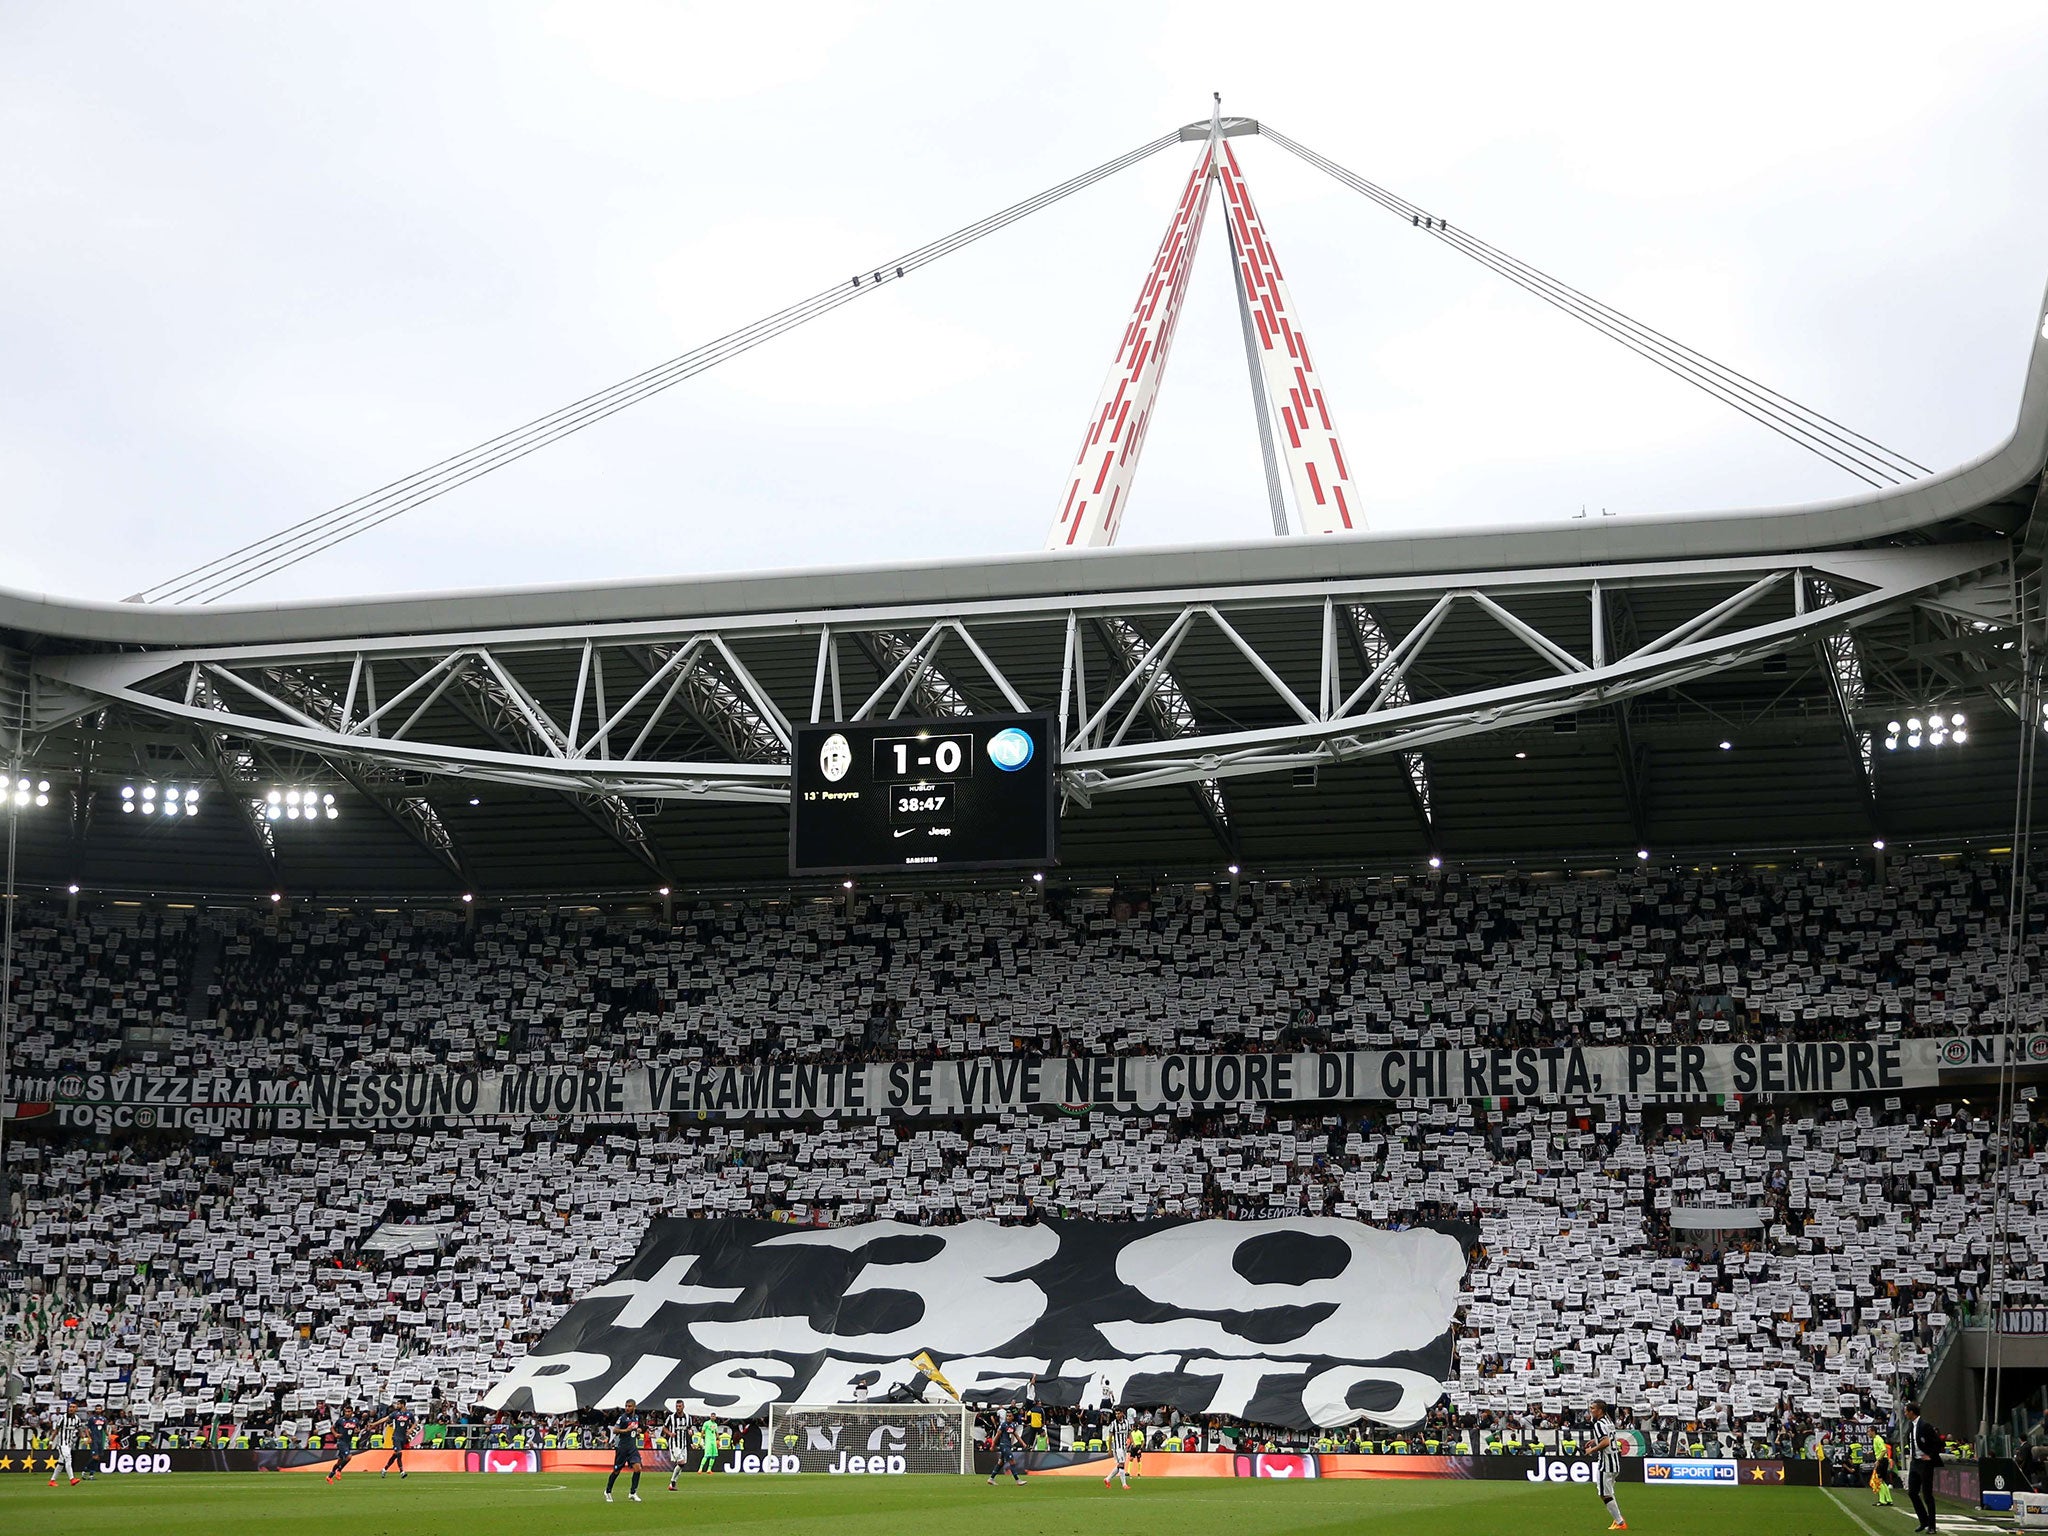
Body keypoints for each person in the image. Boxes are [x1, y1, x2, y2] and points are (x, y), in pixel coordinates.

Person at [1584, 1399, 1627, 1531]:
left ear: (1600, 1410)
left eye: (1593, 1408)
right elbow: (1609, 1437)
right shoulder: (1608, 1422)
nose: (1591, 1410)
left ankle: (1620, 1522)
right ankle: (1618, 1520)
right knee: (1608, 1492)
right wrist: (1595, 1440)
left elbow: (1607, 1441)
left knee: (1604, 1494)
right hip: (1615, 1463)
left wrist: (1592, 1449)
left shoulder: (1598, 1424)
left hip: (1606, 1463)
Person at [1905, 1401, 1943, 1533]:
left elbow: (1938, 1443)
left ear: (1911, 1412)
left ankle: (1932, 1526)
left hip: (1925, 1463)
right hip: (1915, 1462)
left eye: (1906, 1411)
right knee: (1912, 1492)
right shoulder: (1911, 1425)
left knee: (1927, 1495)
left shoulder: (1925, 1426)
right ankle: (1923, 1520)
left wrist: (1930, 1456)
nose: (1905, 1414)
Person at [605, 1399, 645, 1503]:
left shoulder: (636, 1418)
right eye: (626, 1406)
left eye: (629, 1406)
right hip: (622, 1448)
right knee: (617, 1471)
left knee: (638, 1468)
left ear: (634, 1407)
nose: (627, 1408)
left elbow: (634, 1430)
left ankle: (632, 1493)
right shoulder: (622, 1418)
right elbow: (615, 1430)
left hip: (632, 1448)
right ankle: (608, 1491)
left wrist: (636, 1433)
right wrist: (626, 1430)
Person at [325, 1402, 364, 1484]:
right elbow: (332, 1428)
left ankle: (329, 1476)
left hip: (348, 1442)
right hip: (341, 1442)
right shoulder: (340, 1420)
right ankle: (339, 1471)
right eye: (346, 1411)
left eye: (349, 1411)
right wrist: (335, 1434)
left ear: (352, 1412)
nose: (347, 1413)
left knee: (339, 1461)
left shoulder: (355, 1420)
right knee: (349, 1457)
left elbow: (356, 1429)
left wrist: (357, 1431)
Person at [49, 1401, 82, 1488]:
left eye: (73, 1407)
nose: (71, 1409)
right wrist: (51, 1442)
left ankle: (52, 1481)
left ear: (76, 1409)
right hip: (62, 1443)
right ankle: (72, 1479)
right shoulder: (63, 1418)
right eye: (70, 1407)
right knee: (68, 1459)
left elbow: (79, 1429)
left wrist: (85, 1437)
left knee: (61, 1463)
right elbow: (56, 1430)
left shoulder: (77, 1419)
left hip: (69, 1443)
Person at [381, 1397, 416, 1478]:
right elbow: (384, 1419)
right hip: (396, 1436)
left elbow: (414, 1423)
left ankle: (384, 1469)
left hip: (403, 1438)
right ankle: (402, 1472)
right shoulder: (395, 1414)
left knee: (395, 1455)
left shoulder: (409, 1414)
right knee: (399, 1453)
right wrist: (374, 1424)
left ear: (403, 1405)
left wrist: (411, 1429)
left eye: (398, 1404)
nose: (397, 1405)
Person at [987, 1416, 1026, 1485]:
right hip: (1004, 1445)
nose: (1008, 1417)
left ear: (1012, 1417)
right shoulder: (1003, 1425)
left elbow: (1016, 1435)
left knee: (1001, 1462)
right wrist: (992, 1445)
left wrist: (1023, 1443)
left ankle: (991, 1479)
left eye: (1010, 1416)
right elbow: (997, 1435)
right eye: (1007, 1416)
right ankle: (1018, 1480)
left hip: (1008, 1445)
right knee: (1012, 1461)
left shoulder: (1013, 1425)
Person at [1870, 1423, 1894, 1508]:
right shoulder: (1877, 1439)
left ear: (1873, 1432)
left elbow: (1884, 1451)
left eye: (1868, 1432)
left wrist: (1878, 1460)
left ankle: (1882, 1500)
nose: (1867, 1434)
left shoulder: (1877, 1439)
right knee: (1882, 1481)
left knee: (1879, 1481)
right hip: (1884, 1460)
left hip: (1882, 1461)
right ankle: (1889, 1499)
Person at [1102, 1422, 1131, 1491]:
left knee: (1121, 1464)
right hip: (1117, 1448)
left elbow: (1129, 1433)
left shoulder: (1126, 1423)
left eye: (1118, 1413)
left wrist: (1132, 1442)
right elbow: (1110, 1437)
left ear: (1122, 1413)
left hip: (1124, 1447)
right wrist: (1109, 1449)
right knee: (1121, 1464)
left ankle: (1107, 1479)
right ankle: (1124, 1484)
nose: (1117, 1415)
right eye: (1116, 1414)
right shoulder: (1113, 1424)